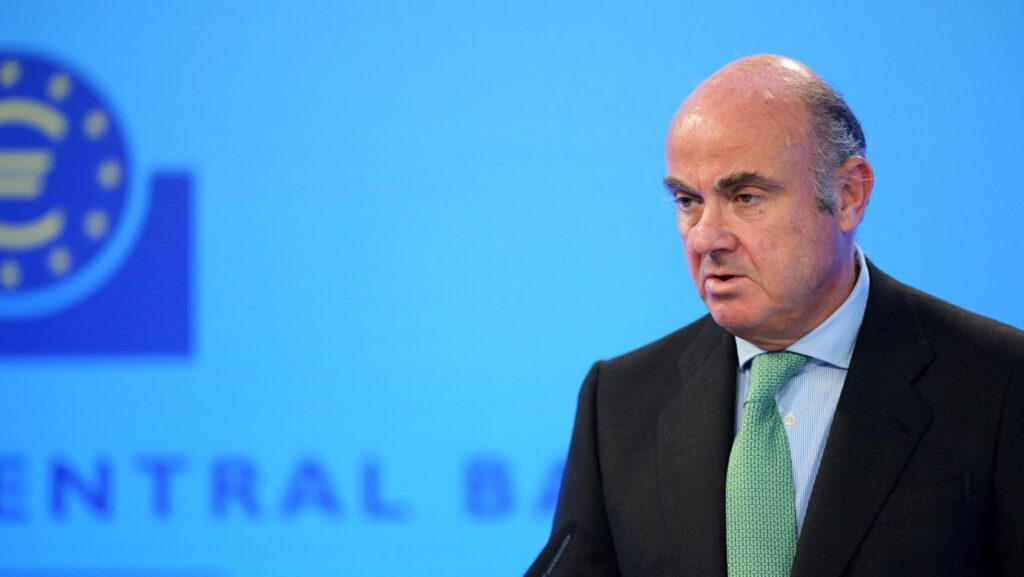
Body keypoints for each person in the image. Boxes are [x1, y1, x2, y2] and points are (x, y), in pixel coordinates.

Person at [529, 55, 1024, 577]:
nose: (706, 238)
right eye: (687, 200)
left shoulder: (1000, 383)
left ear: (848, 196)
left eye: (745, 197)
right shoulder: (619, 401)